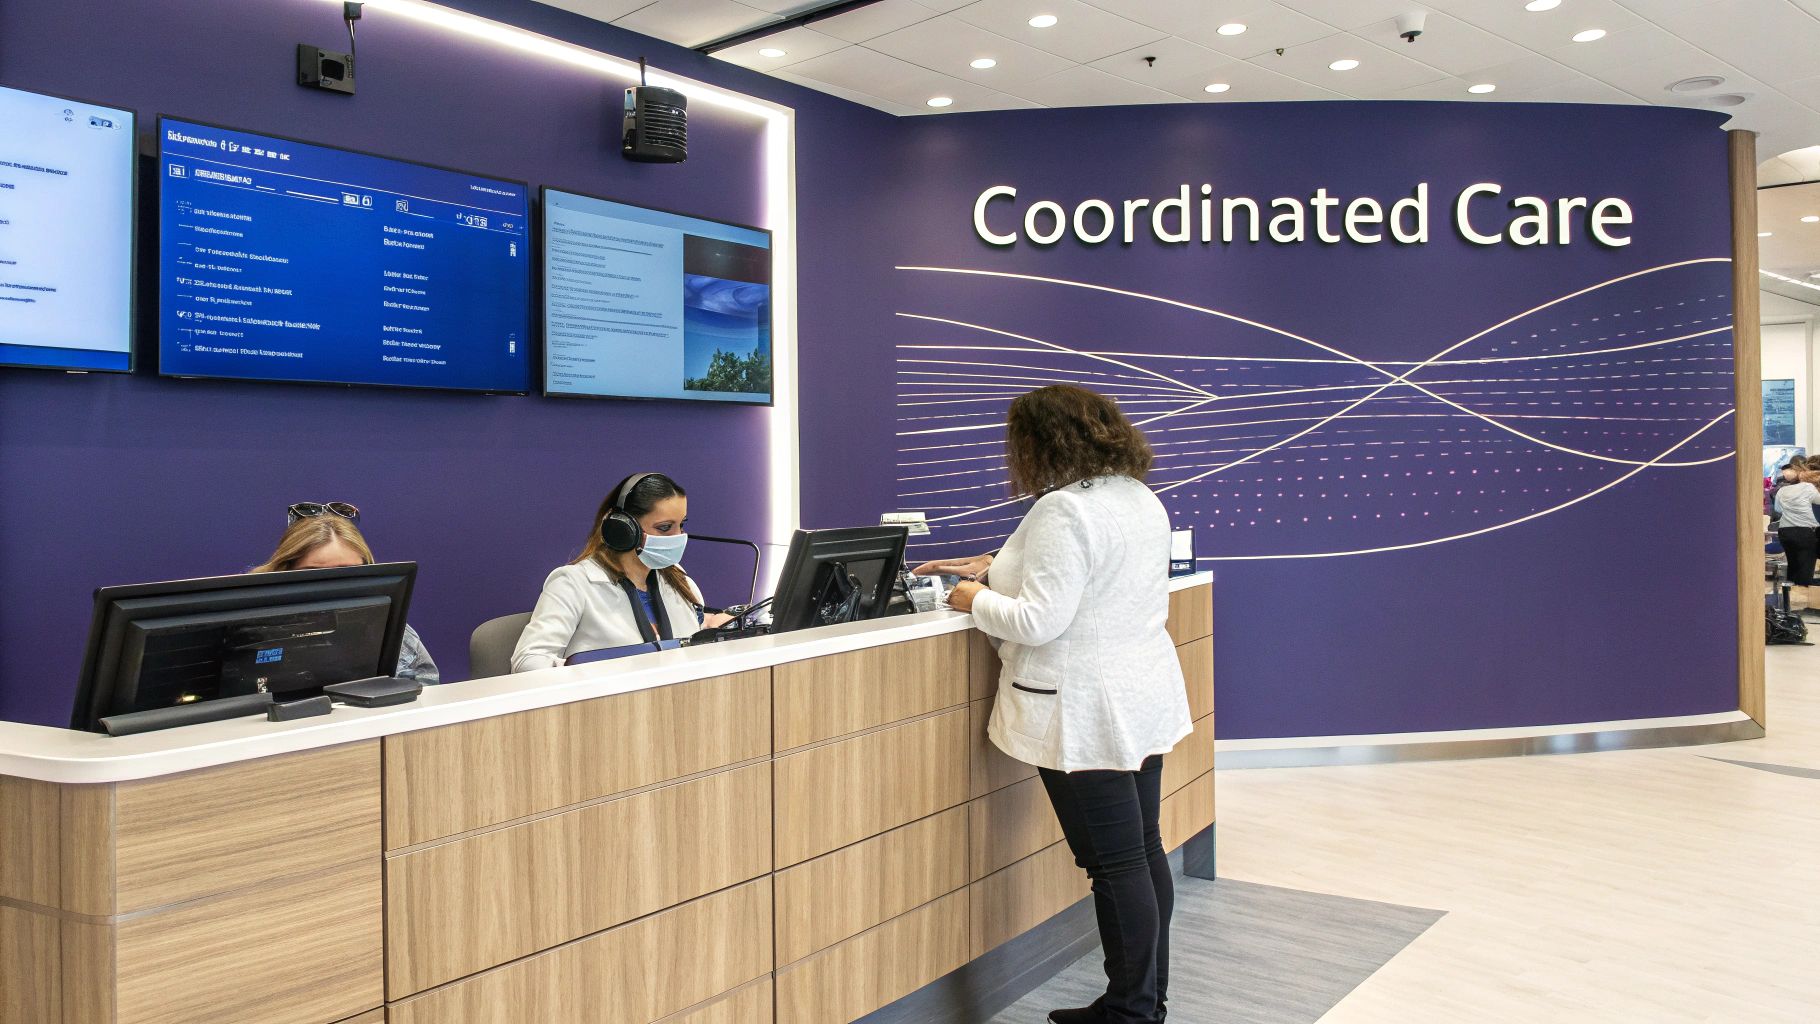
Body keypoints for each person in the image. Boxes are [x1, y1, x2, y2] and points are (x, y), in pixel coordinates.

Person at [932, 385, 1190, 1024]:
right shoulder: (1136, 496)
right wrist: (994, 567)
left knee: (1114, 863)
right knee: (1142, 850)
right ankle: (1144, 1002)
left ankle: (1129, 1014)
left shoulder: (1064, 508)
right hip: (1137, 695)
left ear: (1040, 442)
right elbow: (1087, 575)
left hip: (1086, 708)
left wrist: (972, 598)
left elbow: (1040, 620)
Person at [512, 473, 730, 672]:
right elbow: (527, 661)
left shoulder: (678, 579)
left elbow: (687, 638)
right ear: (624, 528)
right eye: (665, 527)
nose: (678, 536)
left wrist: (712, 626)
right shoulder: (572, 582)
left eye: (681, 525)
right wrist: (590, 673)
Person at [251, 501, 440, 684]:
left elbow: (425, 692)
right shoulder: (256, 632)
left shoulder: (390, 631)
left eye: (347, 574)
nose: (331, 587)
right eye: (314, 574)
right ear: (285, 573)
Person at [1777, 469, 1820, 605]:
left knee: (1793, 564)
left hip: (1785, 531)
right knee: (1806, 565)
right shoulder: (1808, 487)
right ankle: (1803, 602)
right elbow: (1818, 500)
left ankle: (1790, 602)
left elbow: (1778, 509)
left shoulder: (1782, 490)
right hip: (1804, 531)